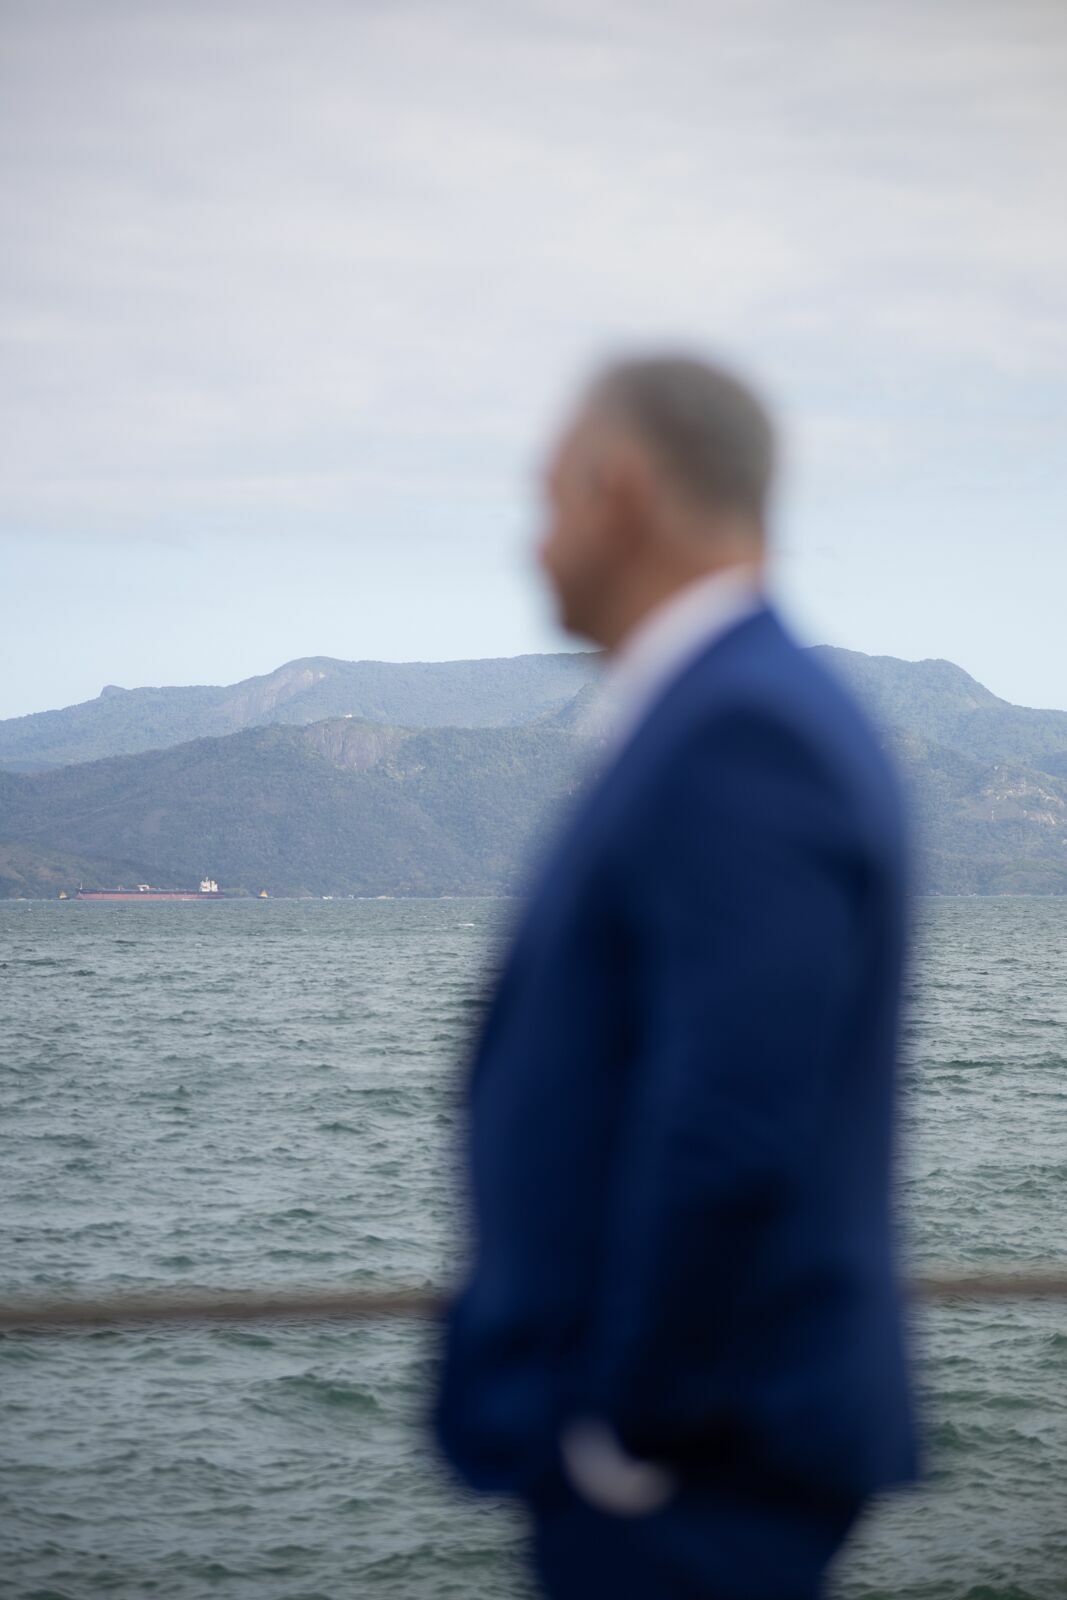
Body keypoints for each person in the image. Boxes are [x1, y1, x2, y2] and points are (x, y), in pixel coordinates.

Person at [434, 353, 916, 1599]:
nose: (532, 546)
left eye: (549, 501)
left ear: (626, 493)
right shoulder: (722, 713)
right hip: (683, 1450)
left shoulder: (737, 734)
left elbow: (734, 1116)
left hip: (692, 1464)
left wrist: (627, 1428)